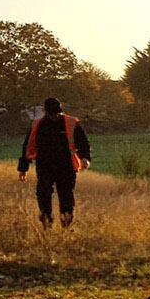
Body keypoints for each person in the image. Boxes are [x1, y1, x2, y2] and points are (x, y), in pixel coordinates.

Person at [17, 97, 92, 228]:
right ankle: (47, 223)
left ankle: (66, 224)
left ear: (60, 111)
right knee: (43, 194)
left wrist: (85, 158)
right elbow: (28, 146)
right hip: (45, 166)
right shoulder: (38, 125)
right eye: (52, 114)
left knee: (66, 196)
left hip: (66, 166)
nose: (55, 116)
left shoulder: (71, 123)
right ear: (46, 112)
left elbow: (83, 142)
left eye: (57, 113)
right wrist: (23, 168)